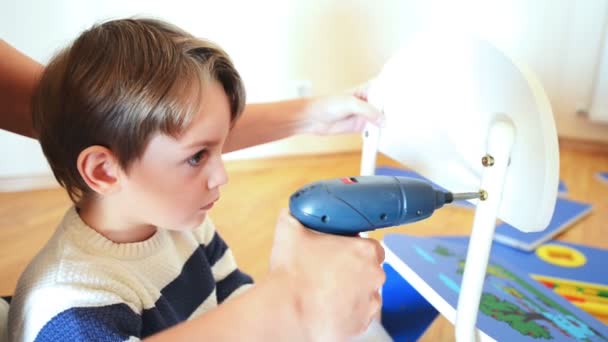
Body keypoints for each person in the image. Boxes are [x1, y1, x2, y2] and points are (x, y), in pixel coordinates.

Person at [1, 18, 386, 341]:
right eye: (197, 156)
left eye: (219, 149)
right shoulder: (72, 307)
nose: (222, 175)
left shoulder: (183, 226)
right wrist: (293, 302)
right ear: (103, 170)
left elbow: (235, 299)